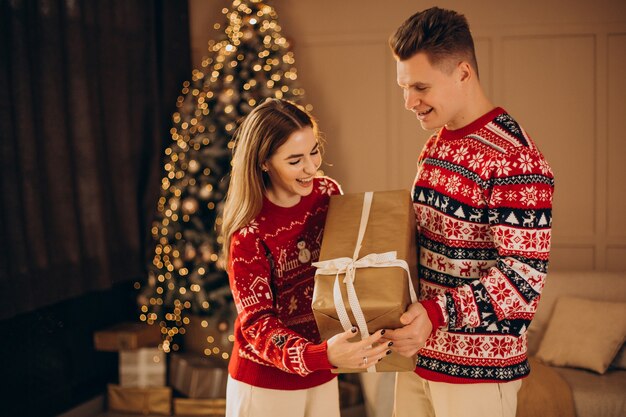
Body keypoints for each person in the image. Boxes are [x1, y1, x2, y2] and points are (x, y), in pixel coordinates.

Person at [384, 7, 555, 417]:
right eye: (403, 87)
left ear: (463, 73)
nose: (409, 102)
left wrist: (434, 313)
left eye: (420, 87)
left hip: (478, 375)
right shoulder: (438, 143)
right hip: (418, 360)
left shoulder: (517, 161)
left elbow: (522, 282)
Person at [220, 98, 391, 417]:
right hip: (265, 387)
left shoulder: (327, 194)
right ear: (264, 163)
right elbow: (257, 325)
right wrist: (320, 356)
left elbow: (348, 267)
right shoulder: (249, 234)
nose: (312, 167)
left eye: (314, 151)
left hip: (324, 372)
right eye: (295, 160)